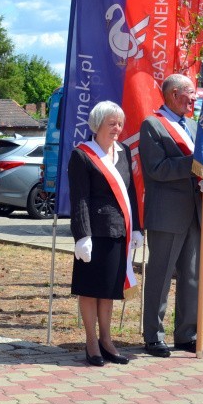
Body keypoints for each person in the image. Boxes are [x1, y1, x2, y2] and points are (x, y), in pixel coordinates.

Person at [139, 73, 203, 357]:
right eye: (190, 93)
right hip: (167, 214)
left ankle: (187, 334)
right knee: (160, 277)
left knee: (193, 276)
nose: (194, 98)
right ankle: (153, 336)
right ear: (172, 94)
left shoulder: (195, 127)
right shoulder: (152, 125)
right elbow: (157, 169)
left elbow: (202, 165)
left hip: (195, 211)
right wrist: (195, 165)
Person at [68, 101, 143, 366]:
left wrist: (136, 228)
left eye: (120, 124)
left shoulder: (123, 150)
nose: (117, 129)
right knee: (90, 290)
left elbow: (130, 192)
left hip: (117, 232)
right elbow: (80, 199)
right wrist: (82, 235)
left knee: (109, 291)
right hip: (93, 233)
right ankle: (91, 342)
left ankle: (107, 340)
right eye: (112, 123)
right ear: (97, 124)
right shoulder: (82, 155)